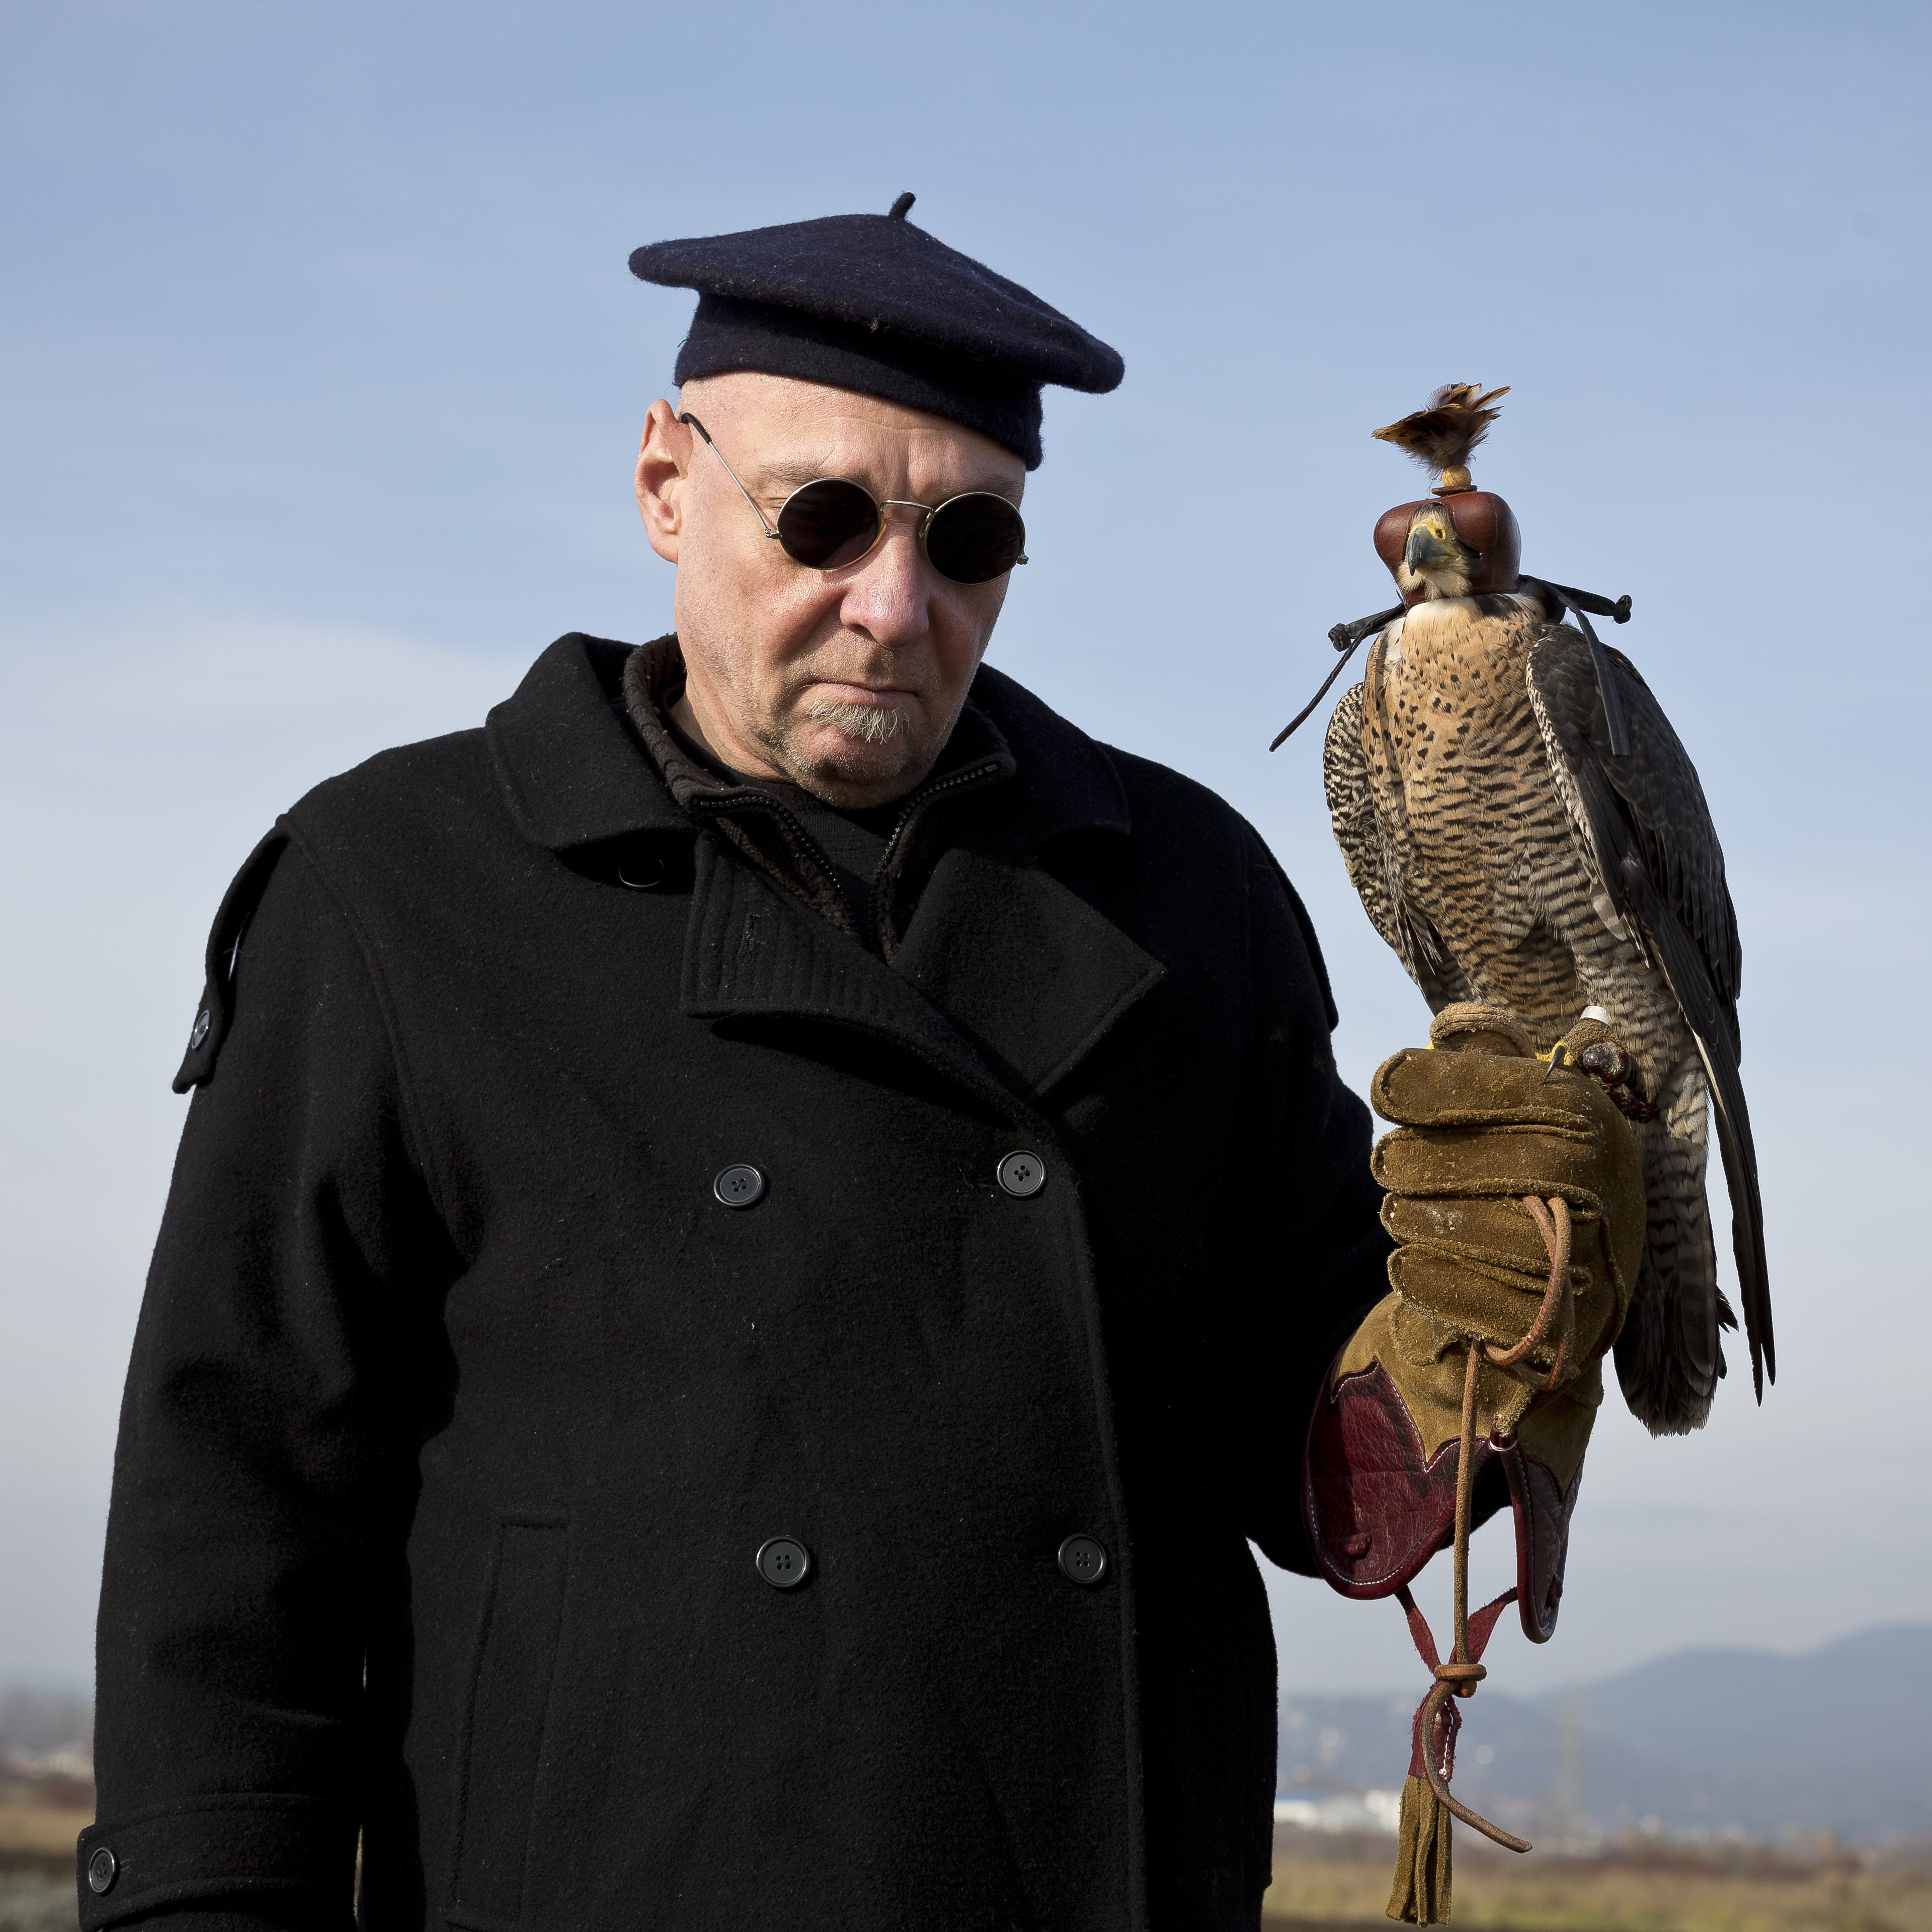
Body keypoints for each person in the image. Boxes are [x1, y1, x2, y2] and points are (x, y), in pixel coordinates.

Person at [80, 198, 1638, 1932]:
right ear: (668, 484)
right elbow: (231, 1518)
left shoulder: (1189, 892)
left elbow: (1327, 1452)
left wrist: (1490, 1334)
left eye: (969, 541)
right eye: (822, 517)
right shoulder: (397, 885)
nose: (894, 606)